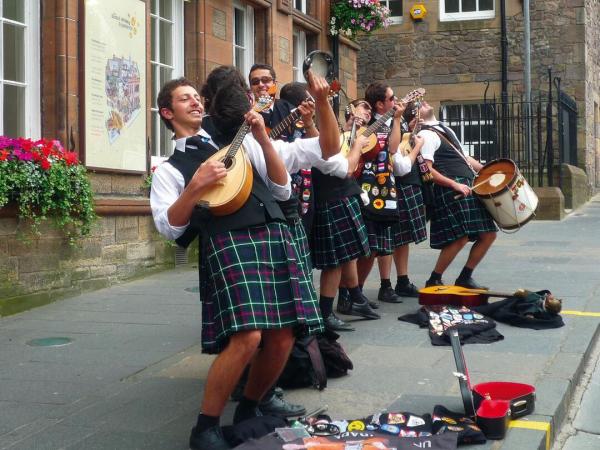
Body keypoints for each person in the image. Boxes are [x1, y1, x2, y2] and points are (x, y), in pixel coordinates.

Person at [151, 77, 323, 450]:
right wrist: (195, 186)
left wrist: (262, 136)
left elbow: (282, 189)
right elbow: (169, 227)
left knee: (283, 336)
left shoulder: (237, 141)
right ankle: (206, 427)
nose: (195, 103)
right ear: (168, 113)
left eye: (197, 97)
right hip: (228, 242)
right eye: (184, 100)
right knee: (248, 337)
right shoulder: (170, 168)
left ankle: (250, 409)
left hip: (274, 234)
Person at [409, 100, 498, 289]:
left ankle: (465, 277)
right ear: (415, 116)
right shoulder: (425, 134)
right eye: (419, 105)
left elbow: (464, 157)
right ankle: (434, 278)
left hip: (467, 185)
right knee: (460, 237)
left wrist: (488, 171)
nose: (424, 102)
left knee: (489, 234)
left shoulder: (443, 129)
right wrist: (453, 184)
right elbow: (427, 169)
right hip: (451, 189)